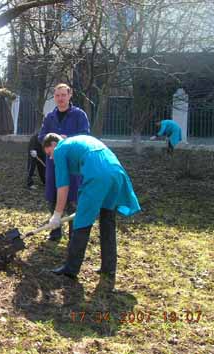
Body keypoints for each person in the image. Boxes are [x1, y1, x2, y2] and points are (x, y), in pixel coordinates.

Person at [43, 133, 141, 290]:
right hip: (116, 171)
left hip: (98, 175)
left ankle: (70, 269)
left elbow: (62, 186)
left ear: (54, 144)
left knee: (82, 222)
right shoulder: (75, 142)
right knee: (107, 220)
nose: (51, 158)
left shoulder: (60, 149)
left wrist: (57, 214)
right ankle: (108, 269)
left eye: (49, 153)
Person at [38, 83, 90, 241]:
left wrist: (67, 139)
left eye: (63, 95)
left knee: (73, 199)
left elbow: (86, 137)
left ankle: (74, 235)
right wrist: (50, 142)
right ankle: (55, 232)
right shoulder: (49, 117)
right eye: (57, 95)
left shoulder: (79, 115)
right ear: (54, 97)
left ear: (70, 95)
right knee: (53, 196)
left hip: (73, 165)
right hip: (53, 164)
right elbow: (41, 137)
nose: (60, 99)